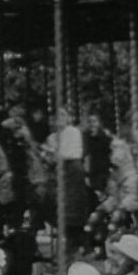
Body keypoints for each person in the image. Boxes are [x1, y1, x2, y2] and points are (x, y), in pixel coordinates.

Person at [44, 107, 90, 258]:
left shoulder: (73, 132)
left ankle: (76, 243)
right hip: (59, 170)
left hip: (72, 169)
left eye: (63, 115)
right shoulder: (52, 136)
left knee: (73, 206)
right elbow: (51, 158)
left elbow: (70, 153)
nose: (60, 118)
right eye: (57, 116)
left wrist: (54, 153)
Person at [83, 114, 112, 194]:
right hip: (90, 169)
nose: (92, 124)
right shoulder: (85, 136)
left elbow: (109, 151)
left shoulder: (104, 135)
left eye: (94, 121)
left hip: (102, 169)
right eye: (89, 122)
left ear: (99, 123)